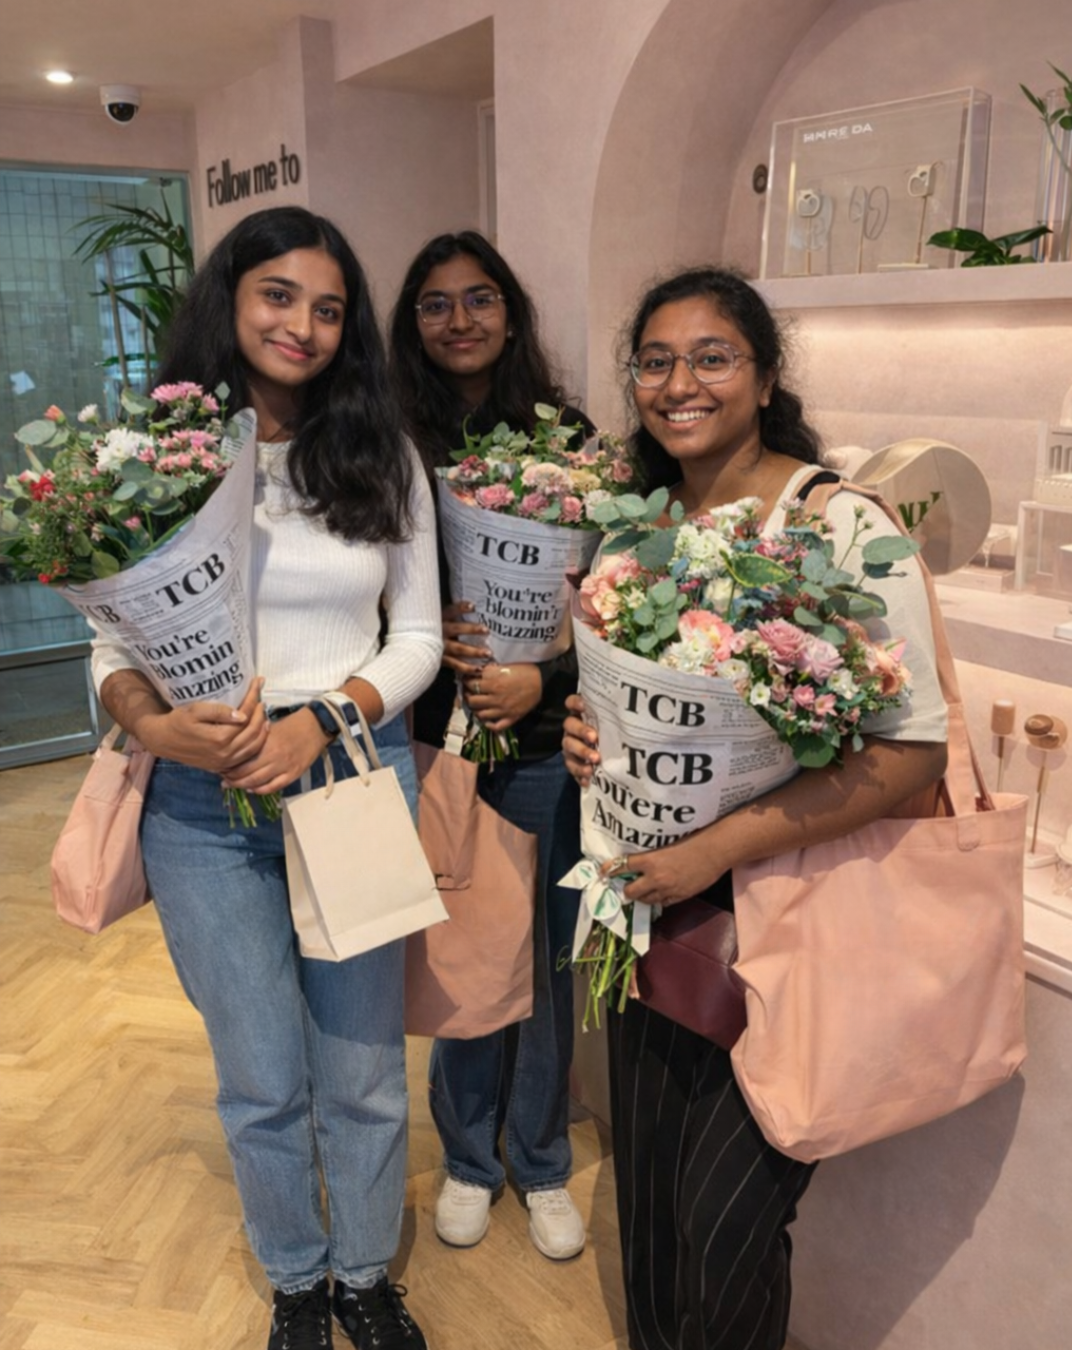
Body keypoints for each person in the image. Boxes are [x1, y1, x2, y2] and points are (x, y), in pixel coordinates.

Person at [562, 267, 949, 1350]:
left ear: (766, 375)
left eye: (712, 356)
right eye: (655, 360)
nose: (679, 382)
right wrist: (588, 742)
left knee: (727, 1231)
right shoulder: (633, 534)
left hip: (789, 931)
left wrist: (717, 849)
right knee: (649, 1213)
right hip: (646, 916)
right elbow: (619, 711)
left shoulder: (839, 525)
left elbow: (914, 751)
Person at [91, 207, 441, 1350]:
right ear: (230, 300)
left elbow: (418, 640)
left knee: (363, 1069)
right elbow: (111, 648)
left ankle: (364, 1277)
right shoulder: (151, 462)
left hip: (346, 775)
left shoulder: (381, 454)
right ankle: (296, 1276)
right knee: (259, 1071)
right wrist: (159, 728)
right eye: (280, 296)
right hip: (200, 802)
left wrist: (324, 721)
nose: (303, 325)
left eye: (329, 308)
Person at [388, 231, 588, 1260]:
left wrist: (539, 676)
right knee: (466, 953)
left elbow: (607, 608)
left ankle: (542, 1160)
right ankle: (469, 1158)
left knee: (546, 961)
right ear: (410, 321)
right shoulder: (381, 436)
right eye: (435, 303)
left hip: (548, 744)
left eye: (479, 299)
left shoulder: (570, 438)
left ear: (510, 312)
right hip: (435, 744)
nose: (458, 320)